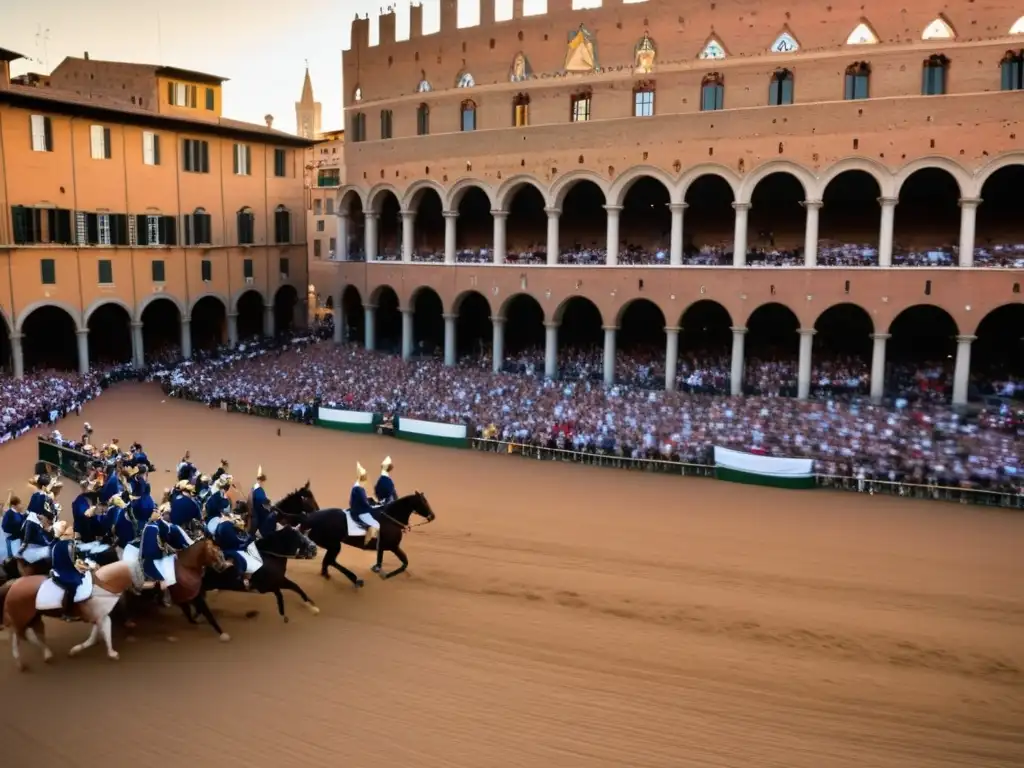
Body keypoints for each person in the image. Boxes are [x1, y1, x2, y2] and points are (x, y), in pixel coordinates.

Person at [49, 521, 90, 622]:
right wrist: (85, 567)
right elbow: (73, 561)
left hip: (62, 569)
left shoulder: (56, 544)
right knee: (75, 584)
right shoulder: (68, 544)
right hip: (63, 572)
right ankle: (68, 612)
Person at [210, 512, 254, 590]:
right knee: (242, 556)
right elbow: (233, 540)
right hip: (229, 549)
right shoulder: (226, 525)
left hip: (226, 547)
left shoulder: (222, 525)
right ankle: (243, 578)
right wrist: (246, 541)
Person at [139, 508, 173, 606]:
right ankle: (164, 599)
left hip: (147, 560)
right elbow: (164, 541)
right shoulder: (156, 527)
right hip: (154, 561)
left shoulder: (147, 526)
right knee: (165, 578)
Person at [349, 462, 379, 546]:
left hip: (358, 509)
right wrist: (373, 506)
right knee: (373, 526)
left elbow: (362, 499)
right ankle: (366, 543)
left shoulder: (358, 487)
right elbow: (364, 502)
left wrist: (370, 500)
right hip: (359, 512)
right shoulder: (358, 488)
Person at [248, 466, 277, 539]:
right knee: (271, 517)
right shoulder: (258, 489)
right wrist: (267, 502)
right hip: (258, 512)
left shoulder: (256, 488)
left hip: (258, 509)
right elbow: (260, 500)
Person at [1, 492, 26, 560]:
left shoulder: (16, 512)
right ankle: (10, 557)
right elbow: (5, 526)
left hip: (14, 534)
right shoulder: (10, 515)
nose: (21, 506)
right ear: (14, 506)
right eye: (19, 504)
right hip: (10, 535)